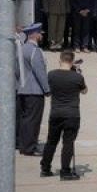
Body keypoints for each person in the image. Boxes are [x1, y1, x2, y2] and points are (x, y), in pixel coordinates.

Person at [39, 50, 86, 181]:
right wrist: (77, 73)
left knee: (52, 141)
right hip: (72, 113)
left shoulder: (51, 75)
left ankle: (45, 167)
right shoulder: (77, 77)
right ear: (72, 62)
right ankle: (65, 171)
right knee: (68, 142)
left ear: (60, 60)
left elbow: (48, 89)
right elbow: (84, 91)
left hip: (56, 112)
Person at [16, 23, 49, 156]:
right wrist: (46, 89)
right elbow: (40, 71)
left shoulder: (21, 49)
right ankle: (30, 147)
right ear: (34, 34)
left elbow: (17, 70)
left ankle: (23, 145)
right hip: (35, 90)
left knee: (24, 119)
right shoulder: (35, 51)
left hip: (22, 88)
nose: (41, 36)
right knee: (33, 120)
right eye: (39, 33)